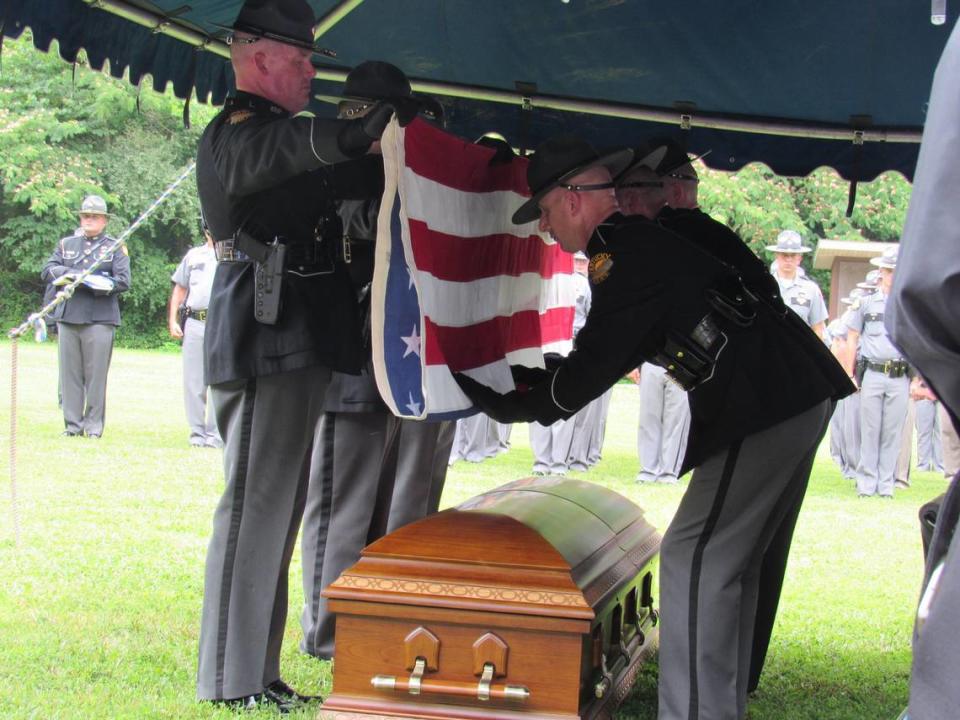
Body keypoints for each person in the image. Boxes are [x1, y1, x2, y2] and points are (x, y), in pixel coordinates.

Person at [455, 135, 853, 720]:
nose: (543, 228)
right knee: (724, 561)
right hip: (787, 394)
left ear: (571, 199)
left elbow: (597, 360)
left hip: (767, 401)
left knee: (696, 558)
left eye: (542, 212)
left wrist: (520, 406)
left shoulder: (625, 252)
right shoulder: (638, 244)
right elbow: (621, 346)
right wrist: (543, 380)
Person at [193, 0, 415, 710]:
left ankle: (258, 672)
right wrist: (357, 134)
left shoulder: (289, 136)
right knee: (254, 510)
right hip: (262, 335)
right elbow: (288, 153)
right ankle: (229, 681)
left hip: (296, 337)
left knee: (279, 512)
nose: (312, 71)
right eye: (302, 58)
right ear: (260, 58)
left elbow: (357, 178)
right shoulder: (238, 135)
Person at [299, 61, 454, 661]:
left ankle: (380, 617)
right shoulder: (332, 168)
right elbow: (343, 221)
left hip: (406, 356)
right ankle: (331, 631)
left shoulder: (391, 169)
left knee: (395, 503)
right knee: (343, 503)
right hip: (356, 352)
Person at [41, 194, 130, 439]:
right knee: (69, 375)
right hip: (69, 316)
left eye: (94, 216)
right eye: (85, 216)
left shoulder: (114, 247)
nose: (88, 220)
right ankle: (72, 426)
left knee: (96, 376)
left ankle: (93, 427)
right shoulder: (66, 244)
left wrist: (94, 282)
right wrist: (68, 273)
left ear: (104, 221)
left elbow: (123, 281)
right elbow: (47, 269)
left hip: (99, 318)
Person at [845, 247, 910, 498]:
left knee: (892, 431)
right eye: (889, 270)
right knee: (870, 429)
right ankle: (866, 484)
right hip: (872, 372)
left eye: (897, 271)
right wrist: (850, 373)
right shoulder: (866, 303)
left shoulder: (907, 304)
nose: (893, 275)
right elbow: (852, 337)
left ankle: (886, 485)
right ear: (881, 272)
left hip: (900, 374)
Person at [168, 218, 221, 448]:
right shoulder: (194, 256)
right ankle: (197, 433)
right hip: (196, 323)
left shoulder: (232, 254)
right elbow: (180, 288)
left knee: (221, 378)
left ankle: (215, 434)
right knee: (193, 380)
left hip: (221, 324)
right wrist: (173, 320)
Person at [766, 230, 828, 338]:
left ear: (799, 258)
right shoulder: (765, 286)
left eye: (793, 255)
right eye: (784, 255)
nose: (788, 259)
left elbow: (818, 329)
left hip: (799, 350)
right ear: (777, 256)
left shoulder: (811, 290)